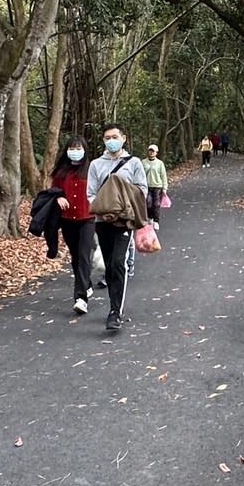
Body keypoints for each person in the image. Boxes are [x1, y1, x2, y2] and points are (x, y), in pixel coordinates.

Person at [87, 124, 148, 333]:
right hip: (102, 222)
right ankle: (114, 304)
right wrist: (102, 211)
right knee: (110, 266)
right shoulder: (96, 164)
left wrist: (122, 204)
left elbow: (142, 190)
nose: (110, 140)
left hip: (124, 221)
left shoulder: (134, 163)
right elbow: (91, 193)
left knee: (118, 262)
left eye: (114, 136)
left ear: (124, 138)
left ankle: (115, 311)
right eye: (107, 137)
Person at [50, 136, 95, 315]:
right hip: (67, 219)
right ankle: (87, 284)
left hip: (88, 218)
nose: (75, 151)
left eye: (78, 148)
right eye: (72, 148)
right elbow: (53, 191)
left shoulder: (92, 169)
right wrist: (59, 197)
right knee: (76, 256)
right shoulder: (62, 172)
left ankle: (80, 298)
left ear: (84, 150)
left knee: (84, 255)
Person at [141, 145, 168, 230]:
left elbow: (164, 176)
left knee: (156, 205)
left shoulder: (160, 163)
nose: (151, 153)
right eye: (150, 151)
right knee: (148, 204)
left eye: (153, 151)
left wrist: (164, 188)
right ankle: (150, 218)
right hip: (147, 186)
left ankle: (156, 221)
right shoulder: (143, 162)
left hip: (157, 186)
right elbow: (140, 175)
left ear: (156, 152)